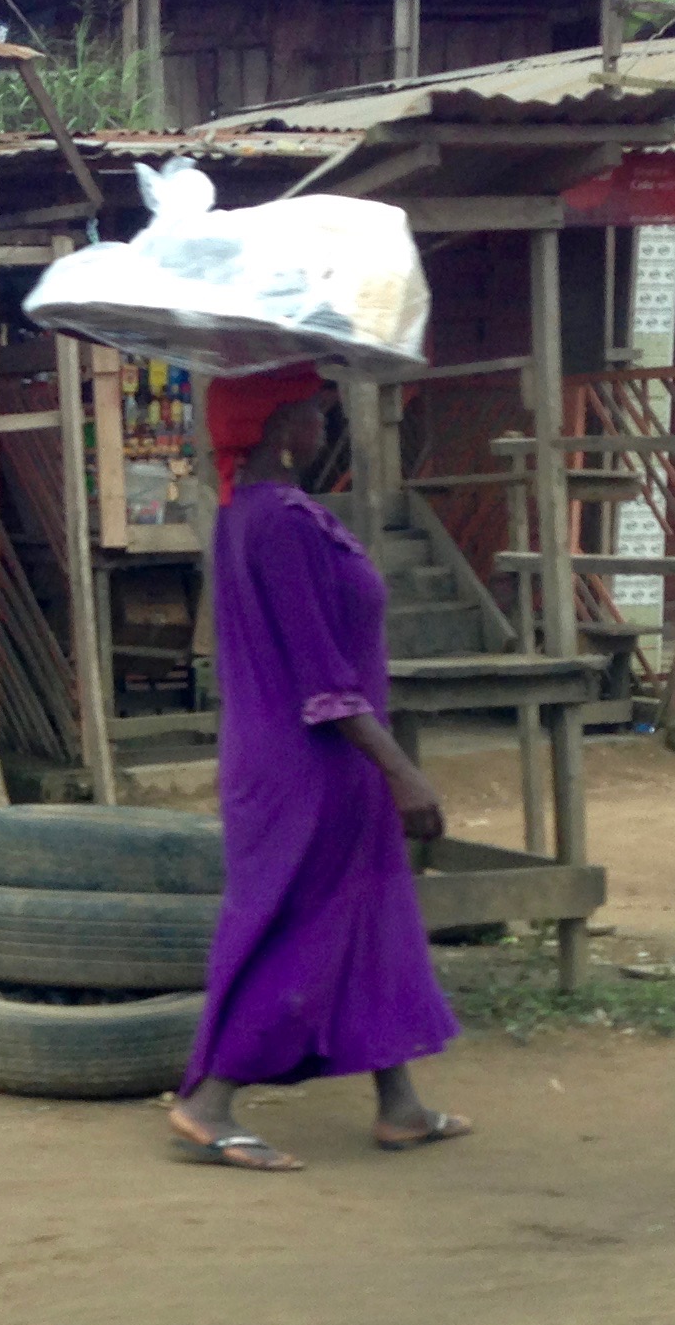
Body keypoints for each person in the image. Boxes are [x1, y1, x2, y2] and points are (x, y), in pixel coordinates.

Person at [168, 363, 469, 1172]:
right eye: (310, 409)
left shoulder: (252, 514)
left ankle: (400, 1105)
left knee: (369, 917)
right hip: (313, 763)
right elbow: (322, 679)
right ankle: (208, 1102)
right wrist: (403, 771)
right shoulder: (280, 524)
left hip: (317, 760)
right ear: (277, 429)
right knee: (305, 927)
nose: (322, 421)